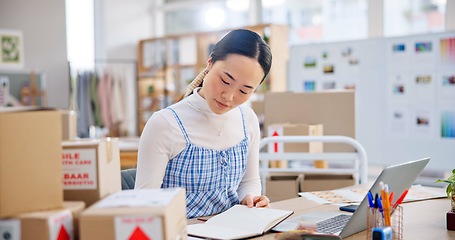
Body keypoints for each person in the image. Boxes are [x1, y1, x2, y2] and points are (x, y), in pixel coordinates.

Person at [134, 29, 272, 218]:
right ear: (209, 63)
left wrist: (250, 198)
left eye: (245, 90)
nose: (229, 96)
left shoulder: (247, 119)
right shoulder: (165, 124)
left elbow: (249, 181)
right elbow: (144, 204)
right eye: (225, 80)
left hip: (234, 231)